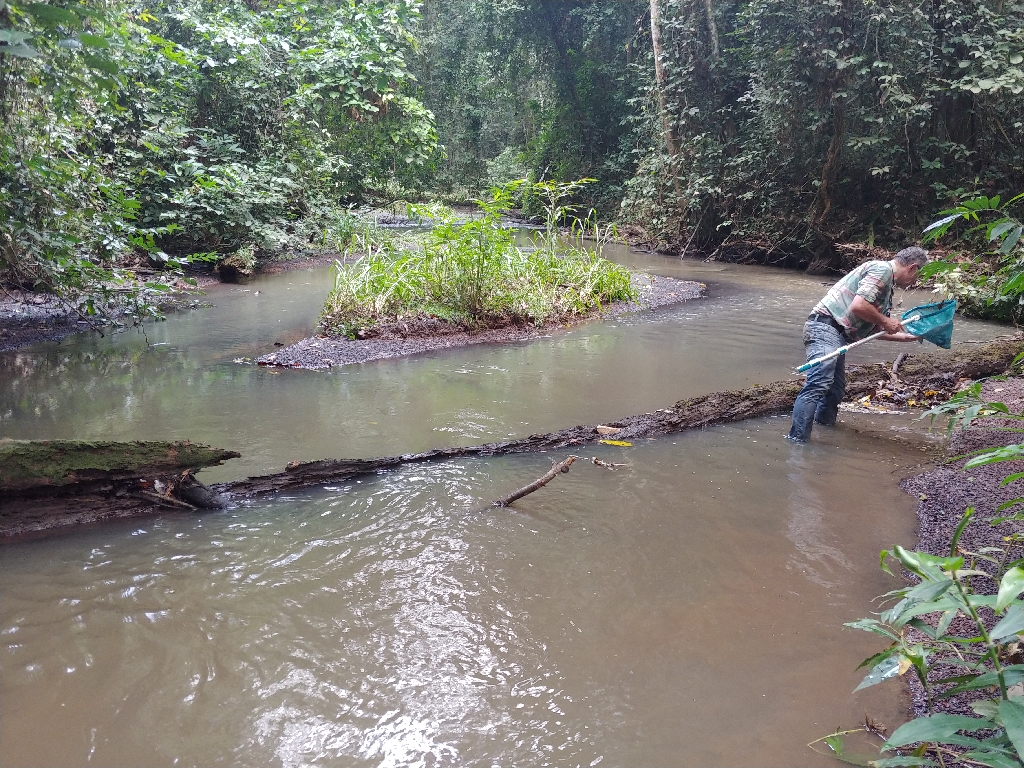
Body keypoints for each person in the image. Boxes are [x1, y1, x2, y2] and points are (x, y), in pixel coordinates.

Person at [787, 246, 929, 443]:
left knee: (835, 390)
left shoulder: (886, 284)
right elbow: (859, 306)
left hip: (835, 332)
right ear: (912, 267)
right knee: (819, 383)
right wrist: (886, 321)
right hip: (825, 327)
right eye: (917, 276)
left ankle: (823, 433)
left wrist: (905, 337)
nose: (915, 282)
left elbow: (870, 330)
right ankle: (798, 443)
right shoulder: (882, 270)